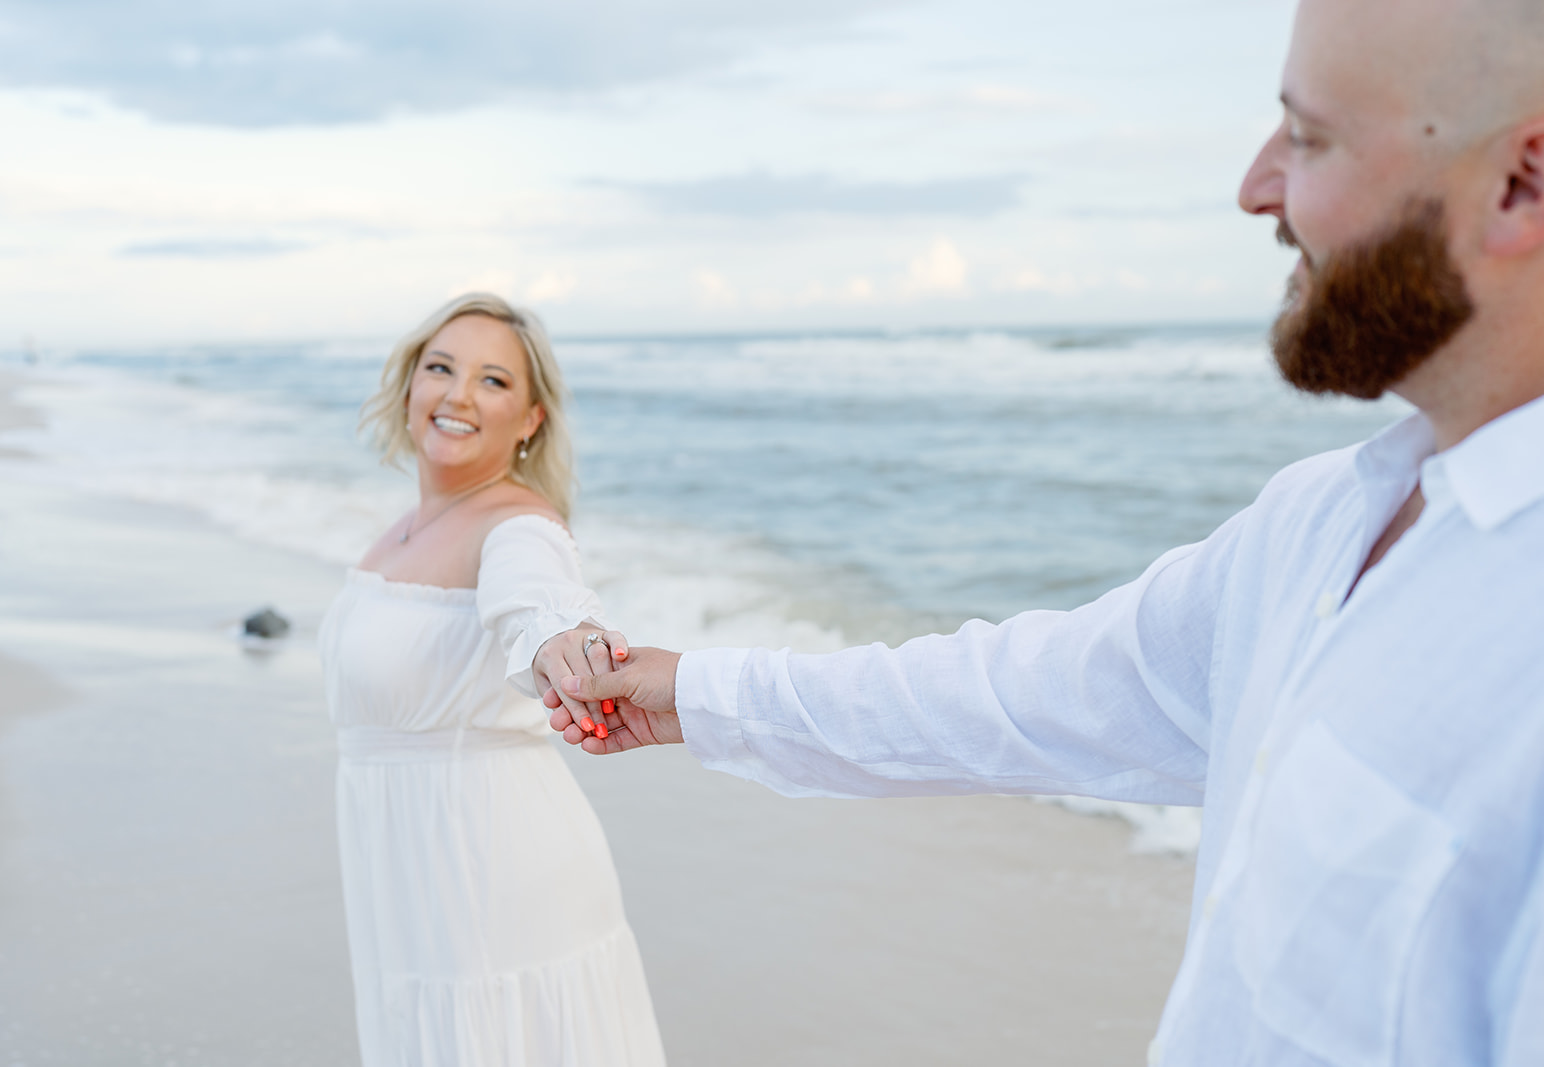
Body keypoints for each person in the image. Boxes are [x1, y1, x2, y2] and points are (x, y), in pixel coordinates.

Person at [549, 1, 1544, 1063]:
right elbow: (1020, 692)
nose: (1255, 185)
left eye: (1307, 137)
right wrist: (695, 692)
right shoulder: (1321, 518)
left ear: (1519, 184)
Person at [317, 293, 664, 1066]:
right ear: (410, 382)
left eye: (494, 380)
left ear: (531, 418)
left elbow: (537, 598)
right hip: (401, 864)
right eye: (441, 367)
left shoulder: (519, 524)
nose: (460, 394)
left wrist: (564, 642)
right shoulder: (403, 529)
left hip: (485, 866)